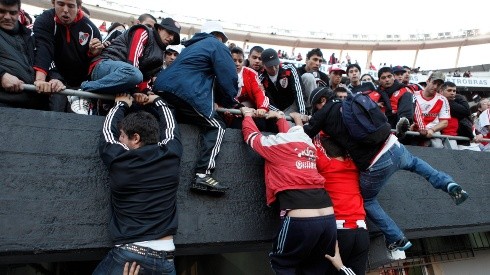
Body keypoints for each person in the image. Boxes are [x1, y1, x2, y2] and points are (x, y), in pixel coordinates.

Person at [302, 88, 469, 252]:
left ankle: (396, 238)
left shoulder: (323, 113)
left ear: (322, 101)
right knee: (415, 163)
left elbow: (305, 134)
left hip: (375, 162)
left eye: (315, 105)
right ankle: (447, 184)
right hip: (393, 144)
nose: (315, 110)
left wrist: (299, 119)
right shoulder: (352, 101)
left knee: (368, 200)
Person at [240, 106, 336, 274]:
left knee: (281, 263)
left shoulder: (276, 146)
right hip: (328, 218)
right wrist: (280, 119)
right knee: (315, 267)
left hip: (301, 219)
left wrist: (247, 115)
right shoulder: (307, 143)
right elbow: (293, 132)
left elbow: (252, 137)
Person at [95, 93, 181, 275]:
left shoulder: (119, 160)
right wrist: (158, 101)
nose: (119, 140)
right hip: (166, 258)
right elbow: (171, 126)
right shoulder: (171, 154)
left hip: (129, 256)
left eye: (123, 136)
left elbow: (106, 134)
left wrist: (120, 105)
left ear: (135, 138)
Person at [153, 20, 237, 195]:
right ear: (219, 36)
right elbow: (228, 78)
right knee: (217, 125)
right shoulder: (216, 45)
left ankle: (155, 169)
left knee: (169, 126)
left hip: (162, 87)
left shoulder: (192, 47)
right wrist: (229, 102)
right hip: (185, 91)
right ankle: (203, 174)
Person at [80, 18, 181, 97]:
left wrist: (145, 91)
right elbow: (133, 61)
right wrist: (136, 90)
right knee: (135, 74)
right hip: (103, 65)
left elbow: (147, 76)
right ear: (159, 28)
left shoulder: (160, 54)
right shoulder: (144, 31)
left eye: (174, 36)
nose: (171, 38)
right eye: (169, 32)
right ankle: (85, 88)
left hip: (122, 77)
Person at [33, 0, 102, 113]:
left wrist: (94, 53)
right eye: (60, 4)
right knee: (56, 110)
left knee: (77, 117)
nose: (65, 10)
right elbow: (44, 49)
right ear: (53, 3)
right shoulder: (45, 20)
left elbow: (95, 62)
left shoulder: (91, 28)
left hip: (80, 83)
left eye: (70, 6)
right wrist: (40, 80)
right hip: (55, 77)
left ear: (78, 7)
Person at [315, 132, 369, 275]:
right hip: (360, 231)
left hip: (341, 233)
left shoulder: (325, 165)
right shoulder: (353, 166)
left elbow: (315, 142)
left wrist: (340, 267)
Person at [0, 0, 64, 109]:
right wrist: (2, 76)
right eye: (2, 12)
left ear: (19, 13)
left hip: (36, 110)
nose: (7, 17)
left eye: (12, 13)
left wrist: (55, 80)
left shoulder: (31, 37)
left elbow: (49, 63)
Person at [259, 48, 307, 115]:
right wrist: (278, 112)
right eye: (270, 66)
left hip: (293, 105)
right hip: (275, 111)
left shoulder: (289, 68)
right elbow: (265, 99)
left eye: (275, 64)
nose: (274, 69)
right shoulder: (260, 78)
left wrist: (302, 113)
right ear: (263, 65)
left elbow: (299, 91)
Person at [412, 71, 450, 148]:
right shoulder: (413, 95)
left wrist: (432, 130)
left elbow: (445, 122)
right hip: (414, 132)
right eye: (434, 83)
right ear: (428, 81)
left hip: (433, 133)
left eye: (439, 85)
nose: (435, 87)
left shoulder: (443, 99)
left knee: (438, 147)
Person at [440, 81, 474, 148]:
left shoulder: (456, 100)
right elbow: (465, 111)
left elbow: (466, 112)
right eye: (449, 90)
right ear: (441, 91)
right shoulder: (439, 101)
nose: (452, 93)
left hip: (459, 137)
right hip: (442, 135)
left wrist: (460, 98)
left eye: (454, 91)